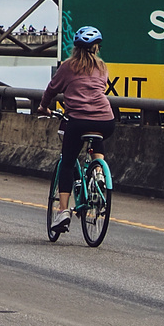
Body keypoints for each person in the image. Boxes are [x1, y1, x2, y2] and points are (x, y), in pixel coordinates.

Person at [32, 25, 116, 237]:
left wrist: (43, 107)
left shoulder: (68, 67)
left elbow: (52, 89)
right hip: (107, 120)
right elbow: (98, 89)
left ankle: (63, 212)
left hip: (78, 121)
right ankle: (98, 174)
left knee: (68, 163)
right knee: (96, 134)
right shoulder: (102, 67)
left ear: (75, 48)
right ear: (96, 47)